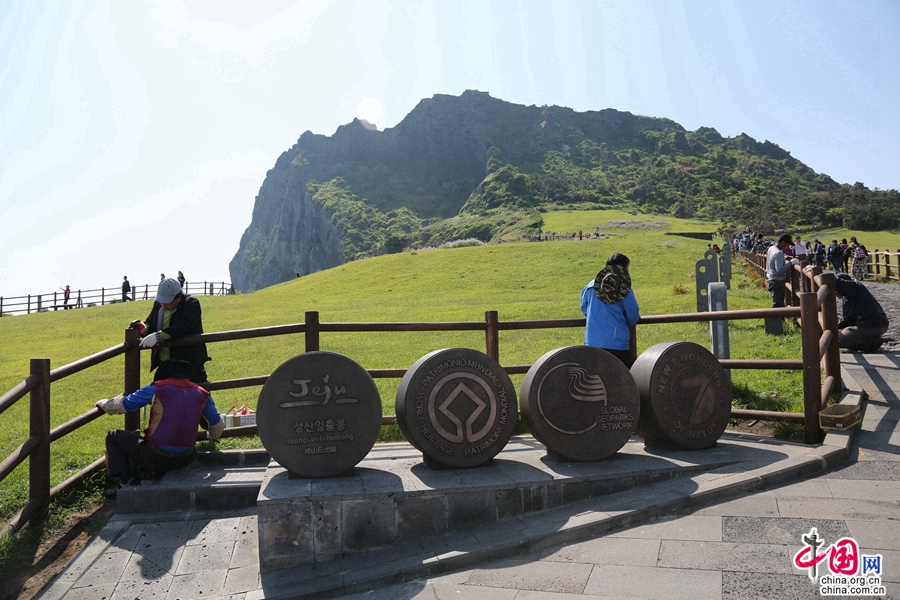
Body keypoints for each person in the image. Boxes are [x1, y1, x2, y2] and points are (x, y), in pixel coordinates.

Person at [95, 360, 224, 492]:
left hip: (156, 457)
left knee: (113, 436)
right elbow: (218, 424)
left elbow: (122, 405)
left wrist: (104, 404)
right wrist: (211, 435)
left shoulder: (157, 388)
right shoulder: (202, 393)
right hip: (187, 457)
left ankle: (125, 482)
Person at [131, 277, 211, 384]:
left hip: (189, 363)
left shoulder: (191, 303)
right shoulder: (158, 304)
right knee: (163, 397)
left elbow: (183, 327)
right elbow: (151, 323)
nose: (163, 305)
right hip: (165, 364)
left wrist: (158, 336)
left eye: (167, 302)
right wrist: (144, 329)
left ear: (178, 298)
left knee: (198, 396)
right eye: (161, 301)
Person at [581, 253, 640, 368]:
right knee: (620, 381)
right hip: (617, 344)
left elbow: (584, 309)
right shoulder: (624, 289)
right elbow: (632, 318)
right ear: (625, 269)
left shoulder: (590, 287)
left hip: (592, 343)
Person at [834, 273, 888, 352]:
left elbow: (837, 282)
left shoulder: (854, 287)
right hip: (876, 324)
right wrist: (835, 326)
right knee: (840, 336)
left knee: (836, 341)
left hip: (869, 325)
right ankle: (870, 339)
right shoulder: (850, 294)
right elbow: (847, 319)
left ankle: (870, 343)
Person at [766, 234, 799, 309]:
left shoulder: (771, 248)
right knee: (777, 304)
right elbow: (780, 270)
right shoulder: (779, 253)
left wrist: (783, 258)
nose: (787, 247)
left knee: (778, 302)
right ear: (783, 242)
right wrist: (791, 263)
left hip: (770, 278)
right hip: (777, 281)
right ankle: (772, 319)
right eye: (787, 244)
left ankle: (779, 319)